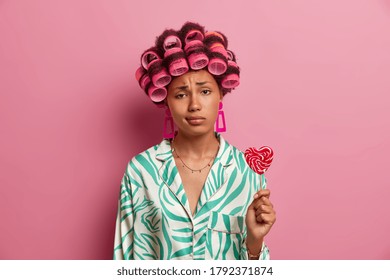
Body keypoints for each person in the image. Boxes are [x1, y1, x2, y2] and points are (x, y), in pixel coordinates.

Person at [113, 22, 276, 260]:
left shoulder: (248, 172)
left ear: (221, 94)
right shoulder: (141, 171)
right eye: (180, 94)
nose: (194, 105)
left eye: (205, 91)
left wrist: (255, 242)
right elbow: (124, 259)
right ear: (165, 100)